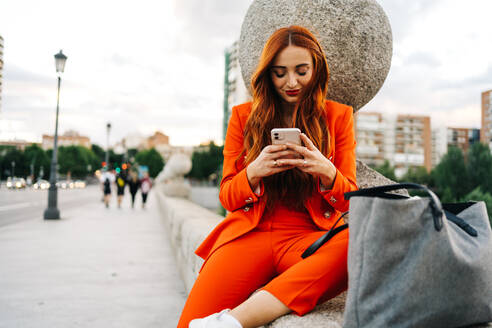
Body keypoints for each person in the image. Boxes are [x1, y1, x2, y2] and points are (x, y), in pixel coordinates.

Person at [178, 26, 357, 328]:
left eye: (302, 71)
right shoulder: (244, 117)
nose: (291, 82)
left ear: (317, 68)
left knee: (358, 244)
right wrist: (253, 172)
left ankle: (233, 322)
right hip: (250, 234)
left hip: (307, 237)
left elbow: (350, 199)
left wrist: (327, 172)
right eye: (280, 73)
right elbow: (227, 195)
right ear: (267, 74)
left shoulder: (338, 117)